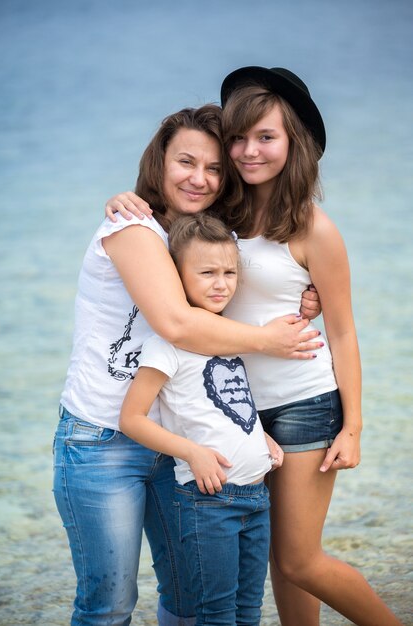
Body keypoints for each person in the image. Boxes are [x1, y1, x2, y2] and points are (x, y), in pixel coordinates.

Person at [106, 67, 404, 626]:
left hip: (302, 406)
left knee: (299, 560)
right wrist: (128, 196)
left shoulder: (314, 227)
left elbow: (342, 329)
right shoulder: (216, 213)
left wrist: (354, 426)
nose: (247, 151)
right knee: (276, 563)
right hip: (232, 410)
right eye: (238, 138)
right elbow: (168, 240)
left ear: (294, 144)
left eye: (265, 137)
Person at [54, 104, 323, 626]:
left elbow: (230, 301)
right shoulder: (131, 227)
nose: (199, 178)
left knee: (187, 602)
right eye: (185, 162)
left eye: (215, 168)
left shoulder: (198, 239)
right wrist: (269, 340)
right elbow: (178, 324)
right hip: (103, 439)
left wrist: (302, 301)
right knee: (108, 605)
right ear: (159, 164)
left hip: (179, 446)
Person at [120, 212, 283, 625]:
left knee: (249, 611)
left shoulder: (228, 335)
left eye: (230, 272)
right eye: (207, 272)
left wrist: (259, 436)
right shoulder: (168, 345)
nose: (220, 283)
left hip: (257, 498)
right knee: (216, 614)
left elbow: (230, 403)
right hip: (209, 502)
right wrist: (192, 452)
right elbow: (132, 418)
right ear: (177, 276)